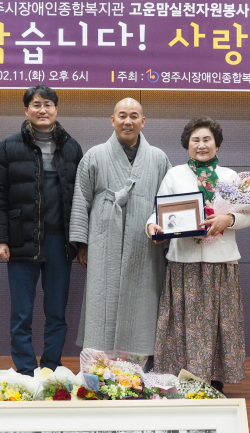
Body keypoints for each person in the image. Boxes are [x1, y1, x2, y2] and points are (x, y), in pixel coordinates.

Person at [146, 117, 250, 393]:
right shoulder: (175, 175)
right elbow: (160, 211)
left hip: (221, 262)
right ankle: (182, 376)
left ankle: (214, 377)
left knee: (219, 323)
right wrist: (152, 226)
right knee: (183, 323)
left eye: (207, 139)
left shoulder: (231, 177)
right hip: (183, 262)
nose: (201, 144)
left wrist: (229, 219)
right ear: (187, 146)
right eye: (195, 140)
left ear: (217, 145)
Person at [0, 84, 83, 376]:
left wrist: (80, 242)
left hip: (59, 243)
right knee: (21, 313)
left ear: (56, 109)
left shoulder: (71, 147)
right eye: (36, 105)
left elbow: (81, 199)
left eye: (48, 104)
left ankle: (51, 368)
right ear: (26, 110)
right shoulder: (8, 146)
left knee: (57, 311)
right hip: (21, 241)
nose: (43, 110)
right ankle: (27, 371)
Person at [70, 97, 171, 358]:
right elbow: (81, 200)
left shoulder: (158, 158)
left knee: (143, 299)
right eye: (122, 115)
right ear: (112, 120)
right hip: (104, 240)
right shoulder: (94, 155)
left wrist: (167, 240)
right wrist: (82, 244)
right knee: (102, 298)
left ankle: (139, 366)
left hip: (144, 244)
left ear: (143, 121)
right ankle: (99, 366)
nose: (128, 121)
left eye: (134, 116)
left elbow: (168, 201)